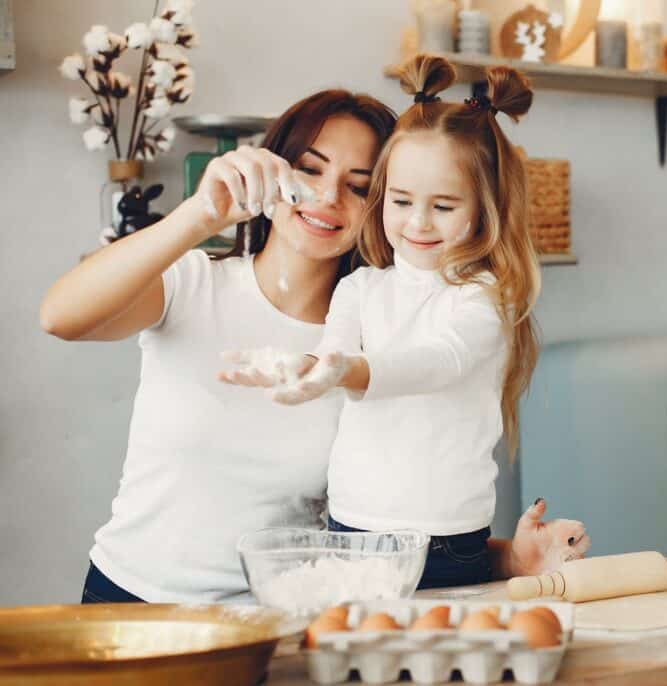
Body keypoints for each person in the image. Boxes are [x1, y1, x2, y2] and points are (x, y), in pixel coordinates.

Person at [40, 86, 588, 604]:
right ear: (276, 168)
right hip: (133, 604)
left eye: (358, 185)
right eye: (309, 170)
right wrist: (198, 215)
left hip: (272, 621)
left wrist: (507, 559)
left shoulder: (384, 334)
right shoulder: (195, 284)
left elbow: (385, 534)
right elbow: (61, 317)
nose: (327, 197)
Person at [221, 55, 590, 589]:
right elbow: (333, 354)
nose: (417, 222)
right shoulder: (360, 287)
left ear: (486, 209)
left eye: (443, 205)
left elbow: (437, 364)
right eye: (400, 200)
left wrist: (346, 370)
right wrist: (293, 369)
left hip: (445, 541)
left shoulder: (485, 299)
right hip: (349, 529)